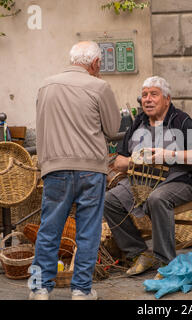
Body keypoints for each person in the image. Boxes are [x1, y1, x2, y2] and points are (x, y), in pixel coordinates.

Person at [29, 41, 121, 300]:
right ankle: (81, 290)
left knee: (48, 229)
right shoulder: (99, 86)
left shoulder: (46, 85)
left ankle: (38, 289)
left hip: (55, 168)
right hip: (90, 169)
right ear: (95, 63)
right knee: (88, 231)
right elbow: (113, 130)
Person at [104, 76, 192, 278]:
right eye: (144, 95)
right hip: (142, 181)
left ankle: (165, 261)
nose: (147, 99)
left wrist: (169, 155)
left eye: (154, 94)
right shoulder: (139, 122)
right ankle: (139, 253)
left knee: (157, 198)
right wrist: (137, 161)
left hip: (180, 179)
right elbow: (118, 161)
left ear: (167, 99)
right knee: (109, 200)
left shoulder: (180, 120)